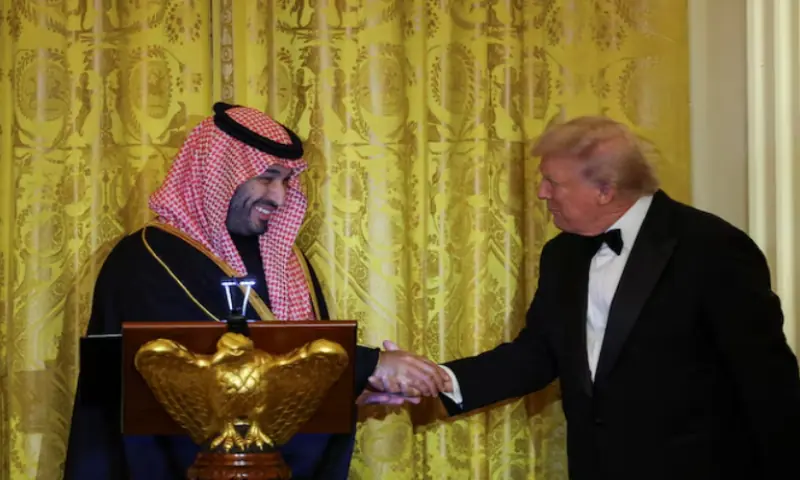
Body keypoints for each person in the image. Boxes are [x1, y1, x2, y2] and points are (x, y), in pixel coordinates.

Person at [372, 116, 800, 479]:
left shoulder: (712, 248)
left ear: (606, 189)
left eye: (552, 182)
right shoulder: (563, 253)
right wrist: (442, 379)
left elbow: (767, 380)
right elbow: (538, 354)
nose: (541, 193)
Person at [63, 103, 447, 480]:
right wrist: (366, 366)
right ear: (220, 172)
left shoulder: (286, 260)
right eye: (266, 177)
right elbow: (209, 363)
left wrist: (348, 392)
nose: (278, 198)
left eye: (286, 181)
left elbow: (284, 368)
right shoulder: (147, 258)